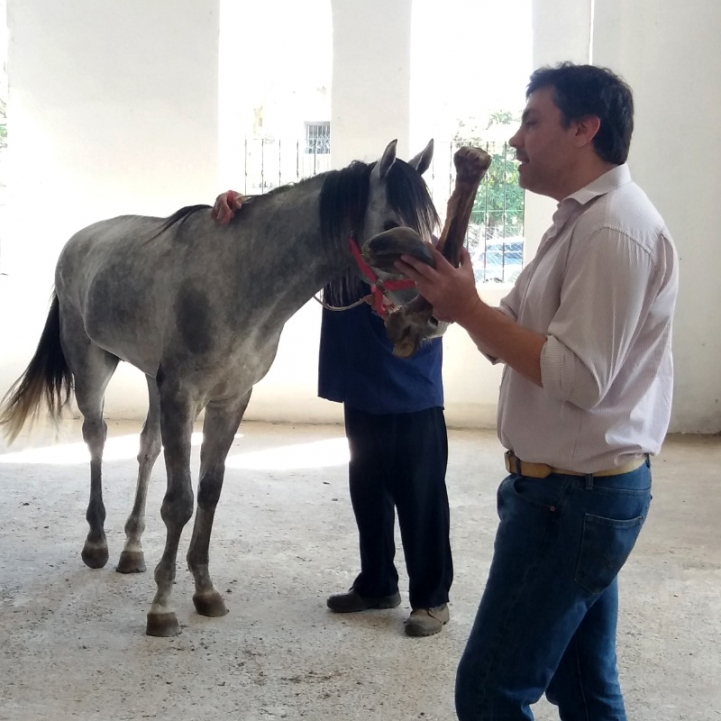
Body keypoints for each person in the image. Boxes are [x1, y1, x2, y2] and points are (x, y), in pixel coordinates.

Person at [397, 63, 678, 719]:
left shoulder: (612, 230)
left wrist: (468, 308)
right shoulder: (576, 222)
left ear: (584, 129)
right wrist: (452, 300)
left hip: (573, 502)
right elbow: (503, 338)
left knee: (490, 690)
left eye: (531, 121)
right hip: (566, 495)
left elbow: (578, 378)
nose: (515, 140)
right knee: (582, 690)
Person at [211, 191, 454, 637]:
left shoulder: (423, 252)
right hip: (362, 390)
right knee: (368, 495)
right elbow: (284, 231)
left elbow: (441, 319)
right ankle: (377, 583)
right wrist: (242, 206)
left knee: (421, 501)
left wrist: (408, 311)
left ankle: (432, 600)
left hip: (411, 397)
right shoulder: (343, 251)